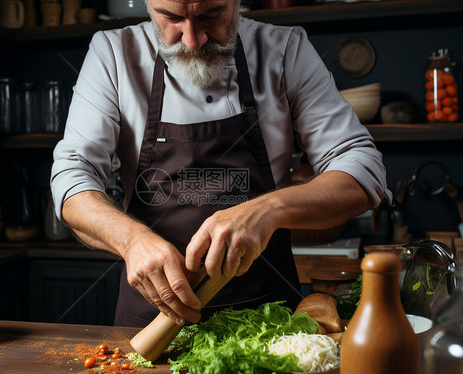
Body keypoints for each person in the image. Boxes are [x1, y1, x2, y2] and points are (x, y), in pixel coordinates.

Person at [51, 0, 391, 328]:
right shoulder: (113, 53)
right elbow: (73, 178)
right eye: (169, 17)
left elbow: (362, 169)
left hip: (270, 321)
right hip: (154, 322)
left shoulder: (286, 49)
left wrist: (268, 209)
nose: (192, 40)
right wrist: (132, 240)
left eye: (212, 15)